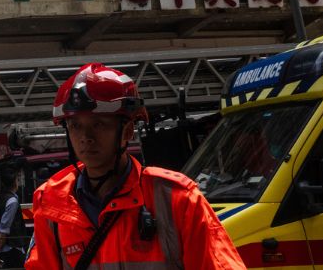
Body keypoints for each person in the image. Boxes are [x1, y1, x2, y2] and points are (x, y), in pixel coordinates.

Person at [26, 63, 245, 269]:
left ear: (128, 131)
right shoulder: (51, 204)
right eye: (75, 126)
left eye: (98, 124)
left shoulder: (178, 199)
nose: (85, 137)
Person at [0, 169, 24, 268]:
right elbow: (5, 227)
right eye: (17, 180)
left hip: (4, 248)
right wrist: (0, 244)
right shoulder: (12, 201)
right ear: (14, 183)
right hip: (12, 248)